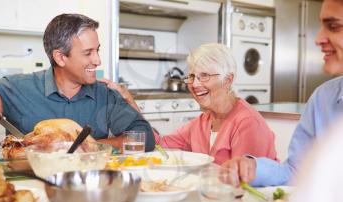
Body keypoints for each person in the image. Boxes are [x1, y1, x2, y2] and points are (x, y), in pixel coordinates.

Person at [222, 0, 343, 186]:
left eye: (333, 27)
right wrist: (253, 169)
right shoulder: (323, 99)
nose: (318, 38)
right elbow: (297, 172)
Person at [0, 13, 154, 151]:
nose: (98, 60)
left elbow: (145, 137)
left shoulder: (104, 94)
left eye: (97, 50)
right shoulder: (19, 88)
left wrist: (89, 147)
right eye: (88, 53)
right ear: (61, 58)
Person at [106, 43, 277, 165]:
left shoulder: (248, 123)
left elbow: (244, 182)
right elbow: (158, 144)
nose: (194, 84)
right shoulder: (203, 122)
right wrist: (130, 101)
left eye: (204, 76)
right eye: (192, 76)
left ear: (228, 80)